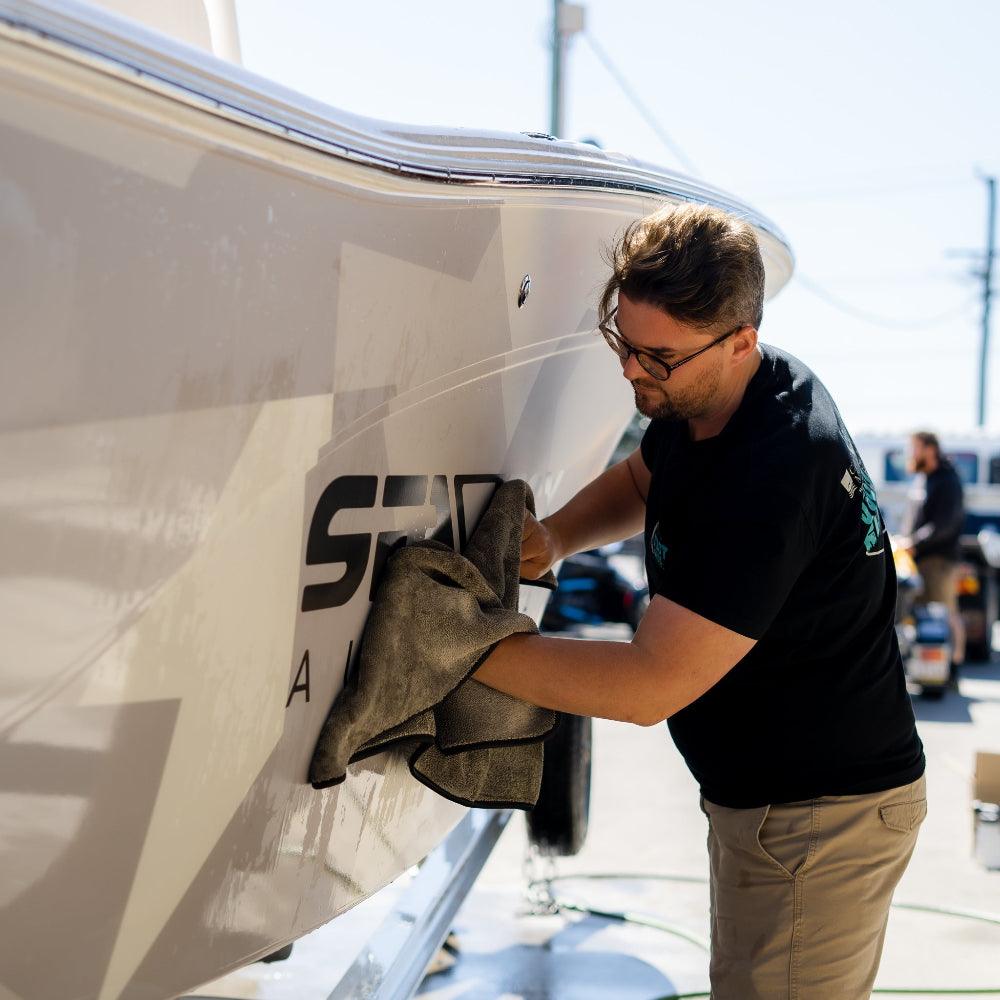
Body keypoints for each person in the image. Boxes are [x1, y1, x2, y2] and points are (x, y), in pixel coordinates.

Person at [472, 202, 926, 999]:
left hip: (822, 818)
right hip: (774, 804)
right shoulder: (716, 393)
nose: (630, 371)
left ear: (740, 338)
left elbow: (650, 686)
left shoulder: (773, 475)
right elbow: (645, 479)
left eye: (655, 356)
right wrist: (556, 536)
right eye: (621, 339)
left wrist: (469, 653)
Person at [906, 430, 966, 683]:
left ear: (930, 449)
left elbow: (944, 524)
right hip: (921, 559)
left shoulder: (947, 480)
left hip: (939, 560)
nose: (913, 454)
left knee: (946, 613)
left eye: (916, 448)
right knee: (922, 614)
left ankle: (953, 669)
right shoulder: (925, 479)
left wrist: (916, 542)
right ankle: (928, 667)